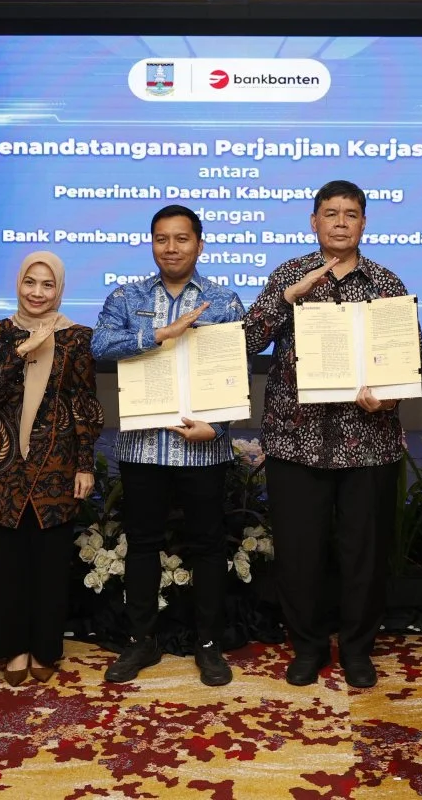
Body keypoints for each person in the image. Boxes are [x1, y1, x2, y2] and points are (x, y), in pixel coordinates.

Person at [243, 180, 417, 689]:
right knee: (299, 554)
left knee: (363, 556)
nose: (340, 222)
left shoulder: (386, 282)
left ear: (364, 223)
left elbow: (407, 355)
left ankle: (358, 649)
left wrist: (388, 397)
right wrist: (286, 299)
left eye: (351, 214)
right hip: (296, 442)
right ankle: (309, 646)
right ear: (313, 221)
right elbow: (249, 340)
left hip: (367, 443)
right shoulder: (289, 275)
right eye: (330, 213)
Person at [92, 205, 247, 687]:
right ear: (152, 244)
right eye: (162, 239)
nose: (172, 248)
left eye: (182, 239)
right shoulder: (126, 296)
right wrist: (160, 334)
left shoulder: (224, 301)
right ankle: (141, 641)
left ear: (200, 244)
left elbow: (232, 373)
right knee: (142, 545)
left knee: (206, 546)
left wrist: (218, 430)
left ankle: (207, 643)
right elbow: (99, 347)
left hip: (204, 448)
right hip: (143, 448)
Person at [0, 251, 100, 685]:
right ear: (18, 284)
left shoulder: (77, 337)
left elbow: (84, 404)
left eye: (47, 285)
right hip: (4, 466)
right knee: (7, 563)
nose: (37, 293)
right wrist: (23, 351)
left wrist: (85, 465)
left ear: (59, 289)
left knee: (48, 563)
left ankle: (44, 648)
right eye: (30, 282)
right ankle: (12, 648)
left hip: (56, 464)